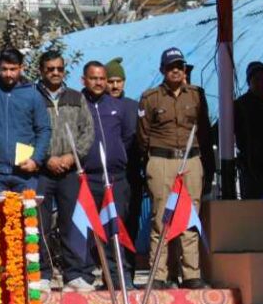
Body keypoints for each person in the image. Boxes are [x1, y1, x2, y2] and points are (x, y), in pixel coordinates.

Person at [138, 48, 214, 289]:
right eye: (171, 67)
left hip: (191, 160)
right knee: (162, 218)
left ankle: (191, 273)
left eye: (180, 67)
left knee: (190, 217)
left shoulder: (196, 95)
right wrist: (149, 163)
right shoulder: (151, 98)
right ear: (162, 70)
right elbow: (143, 135)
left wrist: (206, 165)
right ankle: (159, 274)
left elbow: (204, 130)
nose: (176, 71)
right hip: (162, 160)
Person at [34, 50, 95, 292]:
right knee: (41, 224)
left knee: (72, 223)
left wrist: (72, 156)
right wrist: (46, 158)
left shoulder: (75, 97)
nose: (55, 73)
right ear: (41, 71)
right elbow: (26, 132)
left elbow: (87, 132)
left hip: (70, 170)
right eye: (50, 69)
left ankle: (73, 275)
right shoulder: (31, 97)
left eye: (59, 68)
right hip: (41, 170)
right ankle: (44, 274)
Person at [80, 61, 136, 287]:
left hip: (115, 178)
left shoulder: (117, 106)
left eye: (102, 78)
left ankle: (118, 277)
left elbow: (128, 136)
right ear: (84, 80)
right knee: (89, 231)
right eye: (94, 78)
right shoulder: (77, 104)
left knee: (116, 228)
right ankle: (86, 276)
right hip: (88, 178)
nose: (99, 82)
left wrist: (116, 155)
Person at [0, 47, 52, 193]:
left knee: (27, 215)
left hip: (25, 172)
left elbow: (43, 130)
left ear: (22, 68)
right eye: (4, 69)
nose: (8, 74)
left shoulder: (33, 95)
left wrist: (36, 159)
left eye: (13, 69)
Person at [106, 57, 145, 270]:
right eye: (111, 81)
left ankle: (129, 265)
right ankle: (111, 267)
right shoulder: (99, 106)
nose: (115, 86)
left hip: (131, 174)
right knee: (111, 222)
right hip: (109, 174)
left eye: (119, 81)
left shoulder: (133, 106)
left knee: (131, 219)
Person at [235, 61, 263, 199]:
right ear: (249, 81)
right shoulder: (240, 105)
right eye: (256, 79)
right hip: (251, 169)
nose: (260, 83)